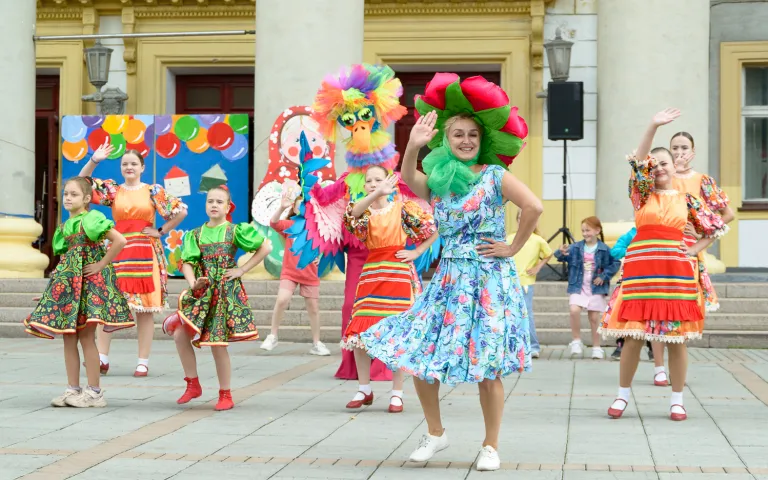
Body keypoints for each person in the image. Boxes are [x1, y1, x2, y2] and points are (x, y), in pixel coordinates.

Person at [361, 73, 540, 471]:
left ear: (482, 139)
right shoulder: (440, 181)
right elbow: (409, 179)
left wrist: (512, 247)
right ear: (446, 139)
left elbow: (534, 207)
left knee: (488, 366)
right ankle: (435, 433)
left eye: (472, 135)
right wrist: (412, 145)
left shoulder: (494, 175)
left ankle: (490, 445)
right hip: (448, 279)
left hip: (489, 280)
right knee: (420, 355)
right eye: (458, 134)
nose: (466, 141)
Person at [600, 109, 728, 421]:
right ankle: (622, 396)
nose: (658, 168)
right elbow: (639, 160)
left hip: (676, 275)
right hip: (641, 274)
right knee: (633, 337)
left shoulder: (687, 200)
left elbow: (715, 226)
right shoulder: (641, 195)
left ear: (674, 166)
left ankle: (677, 400)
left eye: (664, 163)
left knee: (677, 340)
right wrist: (653, 125)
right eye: (654, 164)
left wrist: (694, 249)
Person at [24, 177, 134, 407]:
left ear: (86, 198)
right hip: (71, 288)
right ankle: (73, 389)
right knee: (68, 337)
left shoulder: (92, 219)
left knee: (86, 336)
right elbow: (65, 264)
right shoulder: (65, 227)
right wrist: (51, 294)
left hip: (90, 286)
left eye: (73, 194)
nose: (68, 198)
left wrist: (101, 264)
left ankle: (95, 392)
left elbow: (120, 240)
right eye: (66, 194)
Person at [80, 143, 187, 377]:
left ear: (142, 167)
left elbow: (181, 211)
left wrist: (161, 230)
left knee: (145, 309)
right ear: (120, 168)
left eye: (133, 164)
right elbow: (82, 182)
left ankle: (142, 361)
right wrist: (94, 160)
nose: (129, 167)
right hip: (117, 250)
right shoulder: (113, 190)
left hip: (144, 251)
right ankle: (102, 358)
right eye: (125, 164)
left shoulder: (152, 191)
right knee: (108, 304)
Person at [162, 186, 271, 410]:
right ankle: (192, 384)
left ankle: (225, 394)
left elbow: (265, 247)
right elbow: (187, 262)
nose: (214, 205)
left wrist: (242, 270)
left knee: (217, 343)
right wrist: (193, 283)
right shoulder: (195, 234)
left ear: (228, 207)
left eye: (219, 202)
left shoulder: (235, 230)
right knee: (180, 334)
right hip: (202, 293)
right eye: (210, 201)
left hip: (223, 293)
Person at [343, 166, 438, 413]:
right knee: (360, 332)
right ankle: (364, 388)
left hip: (398, 273)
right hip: (372, 274)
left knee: (397, 334)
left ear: (390, 182)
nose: (373, 183)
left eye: (378, 179)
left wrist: (417, 251)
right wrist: (377, 194)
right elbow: (352, 215)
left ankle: (397, 393)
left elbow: (434, 228)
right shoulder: (362, 210)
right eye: (369, 181)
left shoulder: (403, 208)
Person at [261, 188, 330, 356]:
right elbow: (274, 223)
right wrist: (281, 207)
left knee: (313, 308)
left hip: (310, 274)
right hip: (290, 272)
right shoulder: (290, 225)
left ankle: (316, 343)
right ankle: (273, 336)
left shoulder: (319, 228)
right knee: (282, 299)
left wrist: (321, 258)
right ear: (295, 208)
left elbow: (328, 245)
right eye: (301, 205)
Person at [554, 216, 620, 359]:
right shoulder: (576, 247)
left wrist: (603, 276)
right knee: (574, 310)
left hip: (596, 288)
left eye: (588, 230)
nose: (585, 233)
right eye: (583, 231)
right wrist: (561, 252)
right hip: (578, 286)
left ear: (597, 230)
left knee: (594, 318)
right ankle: (576, 340)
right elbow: (560, 257)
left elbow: (615, 263)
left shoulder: (604, 249)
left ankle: (596, 347)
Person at [609, 227, 666, 385]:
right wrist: (636, 251)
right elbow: (615, 251)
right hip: (635, 283)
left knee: (657, 322)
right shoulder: (632, 233)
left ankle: (660, 368)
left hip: (657, 282)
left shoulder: (663, 231)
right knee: (632, 323)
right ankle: (622, 346)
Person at [508, 209, 553, 358]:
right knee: (511, 314)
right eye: (520, 217)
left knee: (526, 314)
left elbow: (548, 254)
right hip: (510, 281)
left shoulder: (537, 240)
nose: (523, 220)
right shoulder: (510, 238)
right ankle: (514, 347)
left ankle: (533, 346)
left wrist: (537, 267)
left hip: (526, 282)